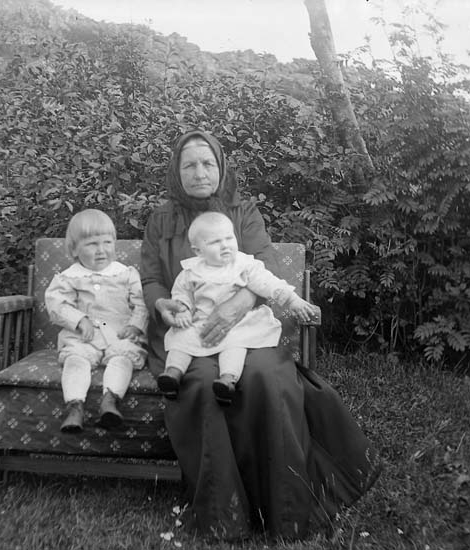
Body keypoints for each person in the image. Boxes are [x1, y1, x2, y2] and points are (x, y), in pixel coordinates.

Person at [140, 129, 380, 541]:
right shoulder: (160, 220)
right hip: (191, 330)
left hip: (248, 328)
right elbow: (151, 279)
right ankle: (223, 514)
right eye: (189, 165)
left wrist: (239, 303)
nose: (199, 172)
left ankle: (283, 508)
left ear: (221, 166)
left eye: (207, 163)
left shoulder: (242, 211)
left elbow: (266, 264)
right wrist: (163, 305)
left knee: (266, 377)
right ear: (176, 172)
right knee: (200, 384)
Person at [158, 211, 317, 405]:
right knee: (181, 338)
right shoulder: (191, 271)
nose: (225, 245)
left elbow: (269, 283)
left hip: (239, 322)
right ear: (198, 251)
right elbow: (182, 293)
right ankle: (172, 374)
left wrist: (292, 300)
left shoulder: (244, 265)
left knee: (235, 343)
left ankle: (227, 380)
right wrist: (182, 309)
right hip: (202, 321)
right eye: (215, 242)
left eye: (229, 238)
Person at [45, 209, 148, 432]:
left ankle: (110, 400)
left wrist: (135, 325)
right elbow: (56, 304)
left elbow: (141, 303)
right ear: (74, 249)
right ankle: (75, 407)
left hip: (119, 335)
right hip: (83, 338)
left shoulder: (126, 274)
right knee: (75, 360)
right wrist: (79, 319)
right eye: (92, 244)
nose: (101, 250)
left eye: (107, 242)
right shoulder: (68, 277)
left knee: (123, 359)